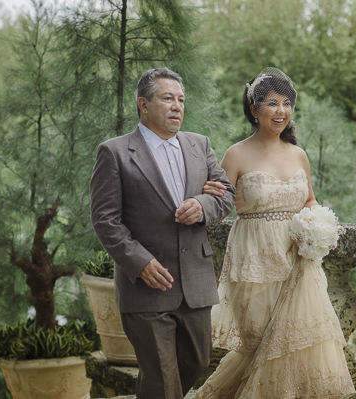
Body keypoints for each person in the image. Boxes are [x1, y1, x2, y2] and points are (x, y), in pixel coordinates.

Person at [195, 68, 355, 399]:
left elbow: (309, 199)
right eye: (272, 103)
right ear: (254, 109)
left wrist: (317, 225)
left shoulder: (298, 154)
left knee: (295, 349)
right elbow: (220, 204)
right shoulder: (236, 154)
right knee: (257, 346)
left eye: (286, 103)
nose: (281, 111)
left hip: (299, 265)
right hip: (254, 265)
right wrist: (206, 195)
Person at [90, 67, 235, 399]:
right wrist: (139, 262)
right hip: (147, 285)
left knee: (197, 362)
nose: (177, 106)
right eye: (167, 98)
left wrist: (202, 205)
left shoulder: (200, 145)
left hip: (196, 283)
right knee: (163, 377)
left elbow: (226, 193)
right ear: (143, 104)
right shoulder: (114, 152)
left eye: (181, 100)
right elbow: (105, 220)